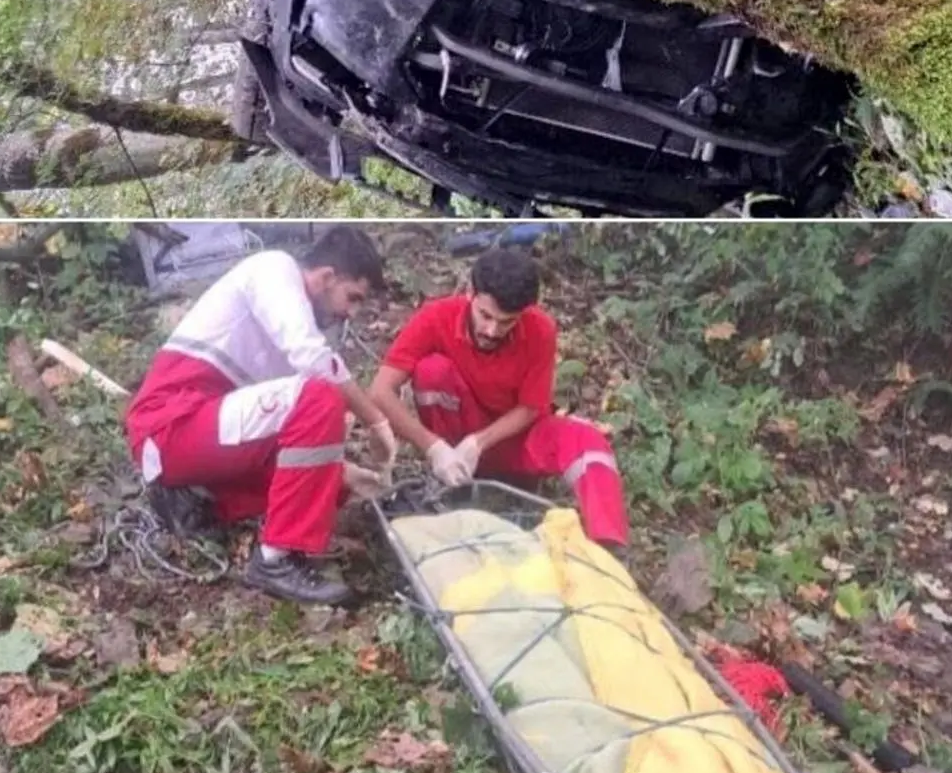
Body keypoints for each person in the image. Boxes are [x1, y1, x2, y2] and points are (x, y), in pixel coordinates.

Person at [124, 226, 396, 605]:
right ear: (327, 277)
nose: (349, 312)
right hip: (171, 422)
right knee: (320, 397)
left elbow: (285, 433)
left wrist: (340, 471)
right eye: (352, 298)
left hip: (205, 432)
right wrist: (375, 419)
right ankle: (275, 559)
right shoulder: (274, 269)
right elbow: (314, 366)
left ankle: (199, 499)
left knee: (329, 484)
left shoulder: (299, 323)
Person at [370, 247, 629, 551]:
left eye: (507, 322)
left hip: (514, 437)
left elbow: (532, 407)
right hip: (455, 440)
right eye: (485, 315)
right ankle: (454, 486)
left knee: (588, 442)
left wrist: (479, 442)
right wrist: (434, 448)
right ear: (470, 293)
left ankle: (609, 548)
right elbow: (380, 390)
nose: (492, 330)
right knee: (432, 372)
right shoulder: (435, 317)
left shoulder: (540, 329)